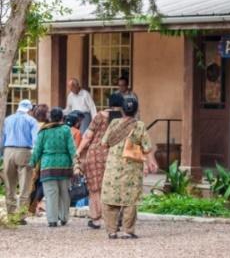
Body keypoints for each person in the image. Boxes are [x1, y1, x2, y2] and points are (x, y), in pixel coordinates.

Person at [101, 97, 158, 239]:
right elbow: (147, 148)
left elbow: (104, 143)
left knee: (111, 198)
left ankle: (112, 231)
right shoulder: (139, 125)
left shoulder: (114, 123)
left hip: (113, 166)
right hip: (132, 167)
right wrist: (151, 162)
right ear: (136, 110)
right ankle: (128, 231)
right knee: (130, 199)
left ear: (122, 109)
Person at [74, 93, 124, 229]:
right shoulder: (123, 119)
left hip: (95, 155)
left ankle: (96, 219)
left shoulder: (100, 116)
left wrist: (78, 151)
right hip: (115, 155)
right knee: (115, 187)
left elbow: (88, 136)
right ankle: (116, 219)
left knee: (95, 188)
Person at [29, 107, 76, 227]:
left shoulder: (44, 131)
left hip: (48, 166)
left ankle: (52, 220)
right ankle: (64, 217)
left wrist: (32, 163)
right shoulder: (66, 130)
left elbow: (37, 150)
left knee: (50, 194)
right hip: (64, 166)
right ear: (61, 118)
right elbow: (72, 148)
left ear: (50, 118)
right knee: (64, 193)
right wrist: (76, 163)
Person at [1, 99, 38, 224]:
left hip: (8, 151)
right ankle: (21, 216)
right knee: (24, 186)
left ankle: (11, 215)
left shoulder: (7, 119)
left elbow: (2, 138)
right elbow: (35, 140)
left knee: (9, 185)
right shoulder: (31, 121)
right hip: (24, 152)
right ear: (30, 109)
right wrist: (35, 156)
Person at [29, 104, 50, 215]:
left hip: (32, 155)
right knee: (41, 183)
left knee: (34, 183)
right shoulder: (47, 126)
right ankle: (36, 205)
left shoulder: (32, 123)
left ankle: (34, 206)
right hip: (42, 156)